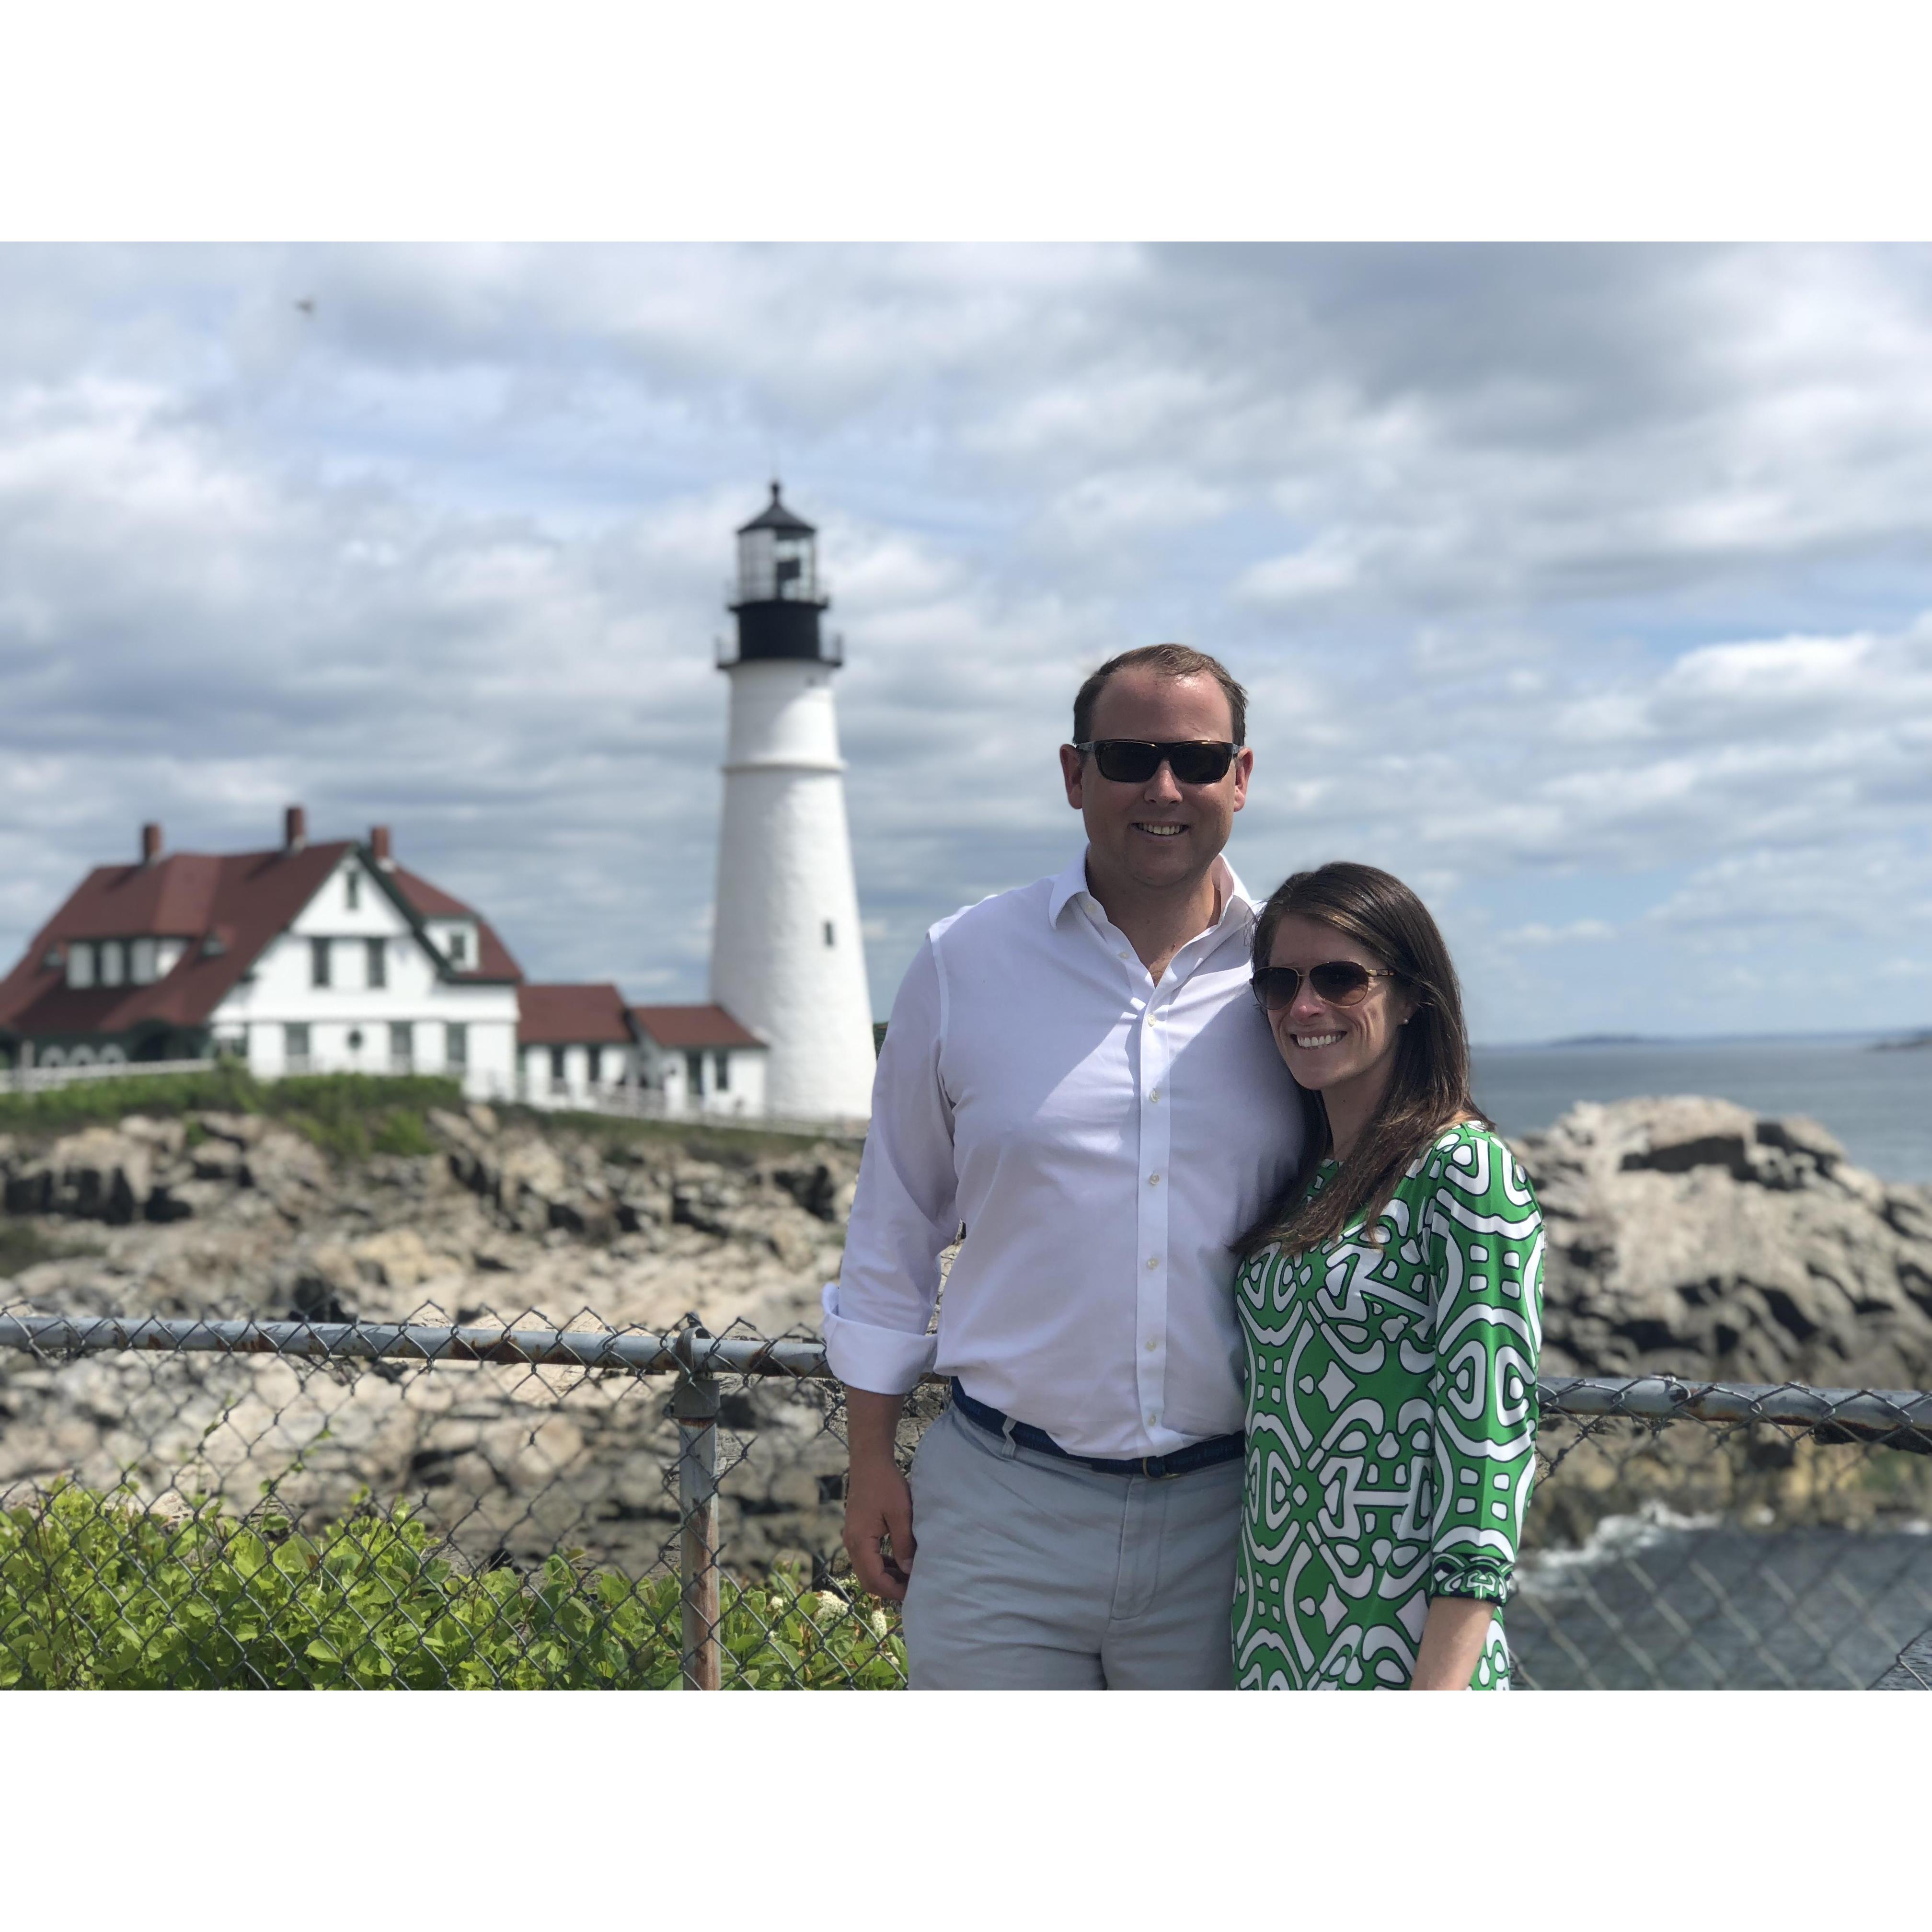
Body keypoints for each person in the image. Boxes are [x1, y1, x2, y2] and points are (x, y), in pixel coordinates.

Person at [825, 644, 1306, 1689]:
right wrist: (869, 1462)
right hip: (1001, 1509)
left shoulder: (1302, 981)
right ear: (1075, 774)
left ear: (1242, 776)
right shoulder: (964, 961)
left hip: (1240, 1525)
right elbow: (895, 1225)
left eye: (1196, 758)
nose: (1163, 789)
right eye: (1129, 757)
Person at [1232, 861, 1544, 1690]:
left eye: (1341, 978)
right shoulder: (1307, 1179)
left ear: (1411, 997)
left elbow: (1487, 1459)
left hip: (1399, 1659)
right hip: (1275, 1648)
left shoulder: (1463, 1172)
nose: (1304, 1007)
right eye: (1279, 982)